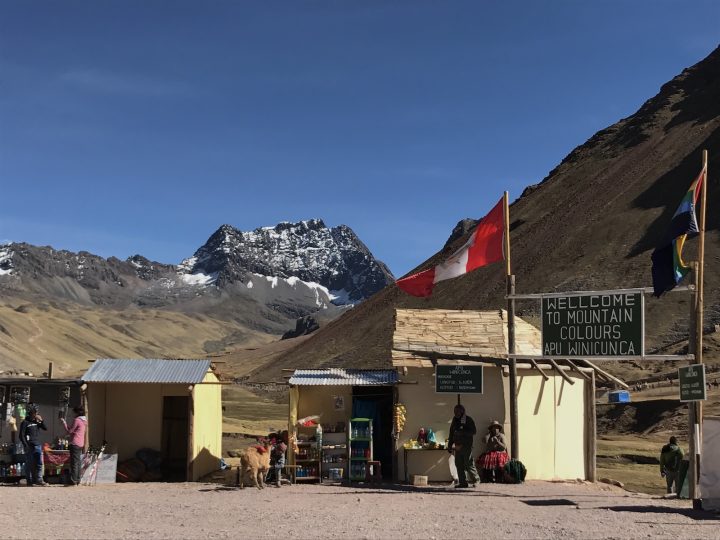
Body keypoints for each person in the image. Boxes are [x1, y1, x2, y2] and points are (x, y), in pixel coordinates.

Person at [447, 404, 479, 488]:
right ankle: (463, 482)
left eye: (457, 411)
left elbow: (473, 431)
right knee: (459, 464)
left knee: (468, 464)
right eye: (454, 411)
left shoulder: (468, 420)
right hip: (457, 446)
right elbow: (451, 433)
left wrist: (462, 432)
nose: (455, 413)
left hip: (466, 446)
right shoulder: (454, 420)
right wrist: (450, 444)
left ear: (462, 411)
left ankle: (476, 480)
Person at [19, 403, 48, 486]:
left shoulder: (37, 422)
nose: (36, 413)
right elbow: (21, 435)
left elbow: (45, 428)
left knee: (39, 463)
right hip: (29, 446)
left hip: (37, 445)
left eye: (37, 412)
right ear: (31, 412)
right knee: (29, 464)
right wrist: (26, 445)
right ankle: (29, 480)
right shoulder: (25, 422)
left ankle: (39, 480)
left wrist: (41, 420)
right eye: (35, 412)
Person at [61, 406, 87, 486]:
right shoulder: (84, 420)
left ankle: (73, 480)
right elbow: (74, 430)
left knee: (74, 463)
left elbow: (70, 431)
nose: (73, 414)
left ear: (77, 412)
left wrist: (64, 423)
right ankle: (78, 480)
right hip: (80, 443)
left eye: (74, 412)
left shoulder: (77, 420)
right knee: (78, 462)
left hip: (75, 443)